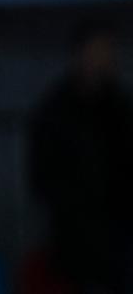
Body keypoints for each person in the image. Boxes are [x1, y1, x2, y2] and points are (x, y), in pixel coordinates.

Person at [28, 21, 133, 294]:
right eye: (97, 51)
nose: (103, 59)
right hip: (73, 232)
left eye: (108, 51)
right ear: (79, 54)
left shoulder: (120, 107)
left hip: (118, 227)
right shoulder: (56, 111)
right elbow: (42, 175)